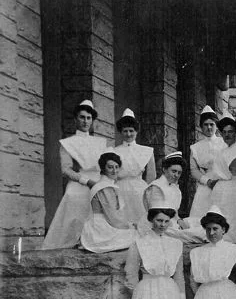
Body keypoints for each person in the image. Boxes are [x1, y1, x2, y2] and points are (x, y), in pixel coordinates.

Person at [42, 99, 107, 249]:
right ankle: (74, 241)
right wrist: (86, 181)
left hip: (99, 181)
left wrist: (101, 182)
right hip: (80, 182)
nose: (85, 121)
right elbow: (66, 169)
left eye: (89, 118)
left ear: (92, 120)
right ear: (75, 119)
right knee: (73, 196)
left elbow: (106, 166)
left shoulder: (100, 142)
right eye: (82, 117)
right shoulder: (67, 143)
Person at [198, 112, 236, 243]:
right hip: (221, 190)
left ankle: (235, 243)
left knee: (235, 219)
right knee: (221, 218)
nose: (227, 135)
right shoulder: (221, 152)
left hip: (235, 188)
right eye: (224, 132)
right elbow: (216, 172)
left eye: (230, 132)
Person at [80, 152, 136, 253]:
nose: (114, 171)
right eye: (110, 167)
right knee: (137, 236)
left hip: (98, 226)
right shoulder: (105, 187)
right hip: (101, 229)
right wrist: (128, 226)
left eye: (117, 167)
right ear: (103, 168)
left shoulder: (104, 184)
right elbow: (112, 217)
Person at [141, 152, 202, 243]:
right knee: (195, 233)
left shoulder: (174, 187)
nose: (176, 175)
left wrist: (179, 221)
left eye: (179, 173)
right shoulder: (156, 187)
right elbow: (155, 214)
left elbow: (175, 211)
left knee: (199, 222)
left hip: (173, 221)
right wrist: (176, 223)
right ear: (164, 169)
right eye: (173, 171)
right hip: (160, 223)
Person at [113, 108, 156, 223]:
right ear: (121, 132)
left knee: (140, 221)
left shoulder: (146, 151)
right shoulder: (114, 151)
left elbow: (151, 176)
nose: (128, 134)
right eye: (125, 131)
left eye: (131, 131)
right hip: (120, 189)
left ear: (136, 131)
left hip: (138, 190)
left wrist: (146, 193)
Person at [188, 105, 226, 219]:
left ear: (216, 126)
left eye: (212, 124)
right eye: (205, 124)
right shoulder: (195, 147)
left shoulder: (224, 143)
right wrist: (207, 181)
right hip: (205, 187)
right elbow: (194, 170)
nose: (209, 128)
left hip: (223, 184)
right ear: (201, 126)